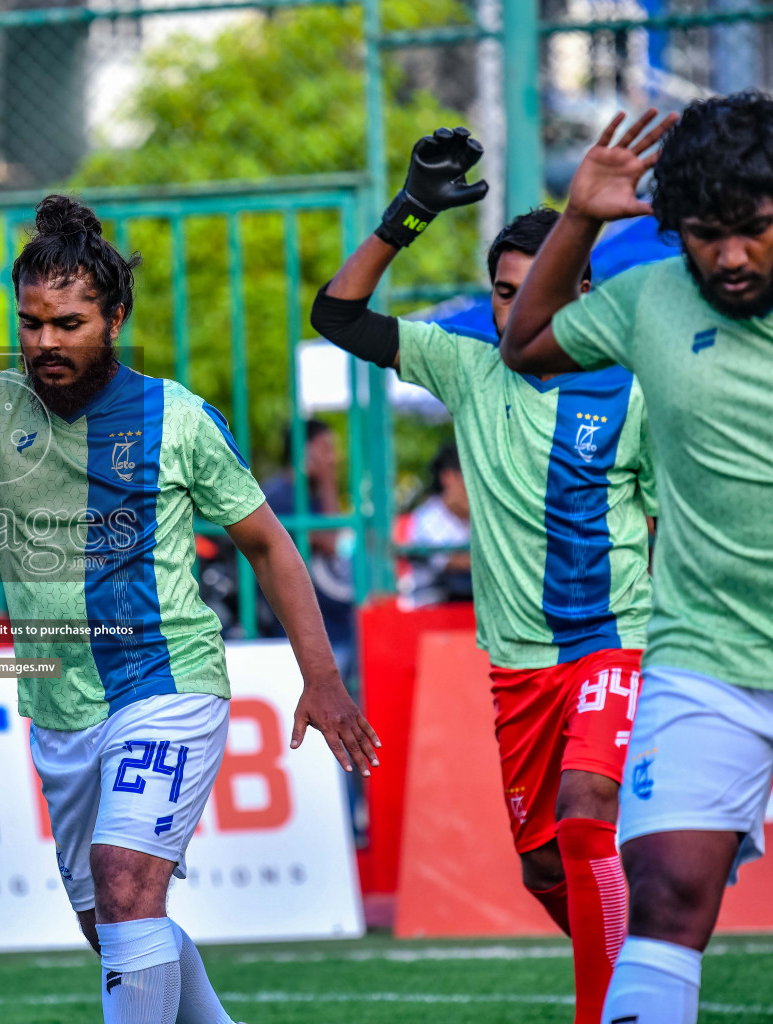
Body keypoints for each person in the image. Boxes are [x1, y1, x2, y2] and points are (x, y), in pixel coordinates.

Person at [0, 194, 379, 1024]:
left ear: (115, 318)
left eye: (69, 323)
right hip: (59, 704)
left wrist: (321, 677)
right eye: (32, 322)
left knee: (124, 882)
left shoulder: (176, 419)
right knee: (111, 921)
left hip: (168, 683)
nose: (46, 342)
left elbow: (268, 544)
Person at [310, 129, 657, 1023]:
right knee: (545, 865)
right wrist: (409, 214)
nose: (511, 313)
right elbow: (337, 316)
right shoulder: (466, 368)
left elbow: (673, 519)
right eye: (501, 295)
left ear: (580, 290)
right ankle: (643, 978)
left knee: (586, 815)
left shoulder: (629, 387)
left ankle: (611, 1015)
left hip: (614, 642)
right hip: (517, 667)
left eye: (529, 292)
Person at [501, 95, 773, 1024]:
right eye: (706, 234)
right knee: (661, 896)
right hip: (705, 662)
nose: (731, 256)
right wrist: (576, 220)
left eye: (754, 231)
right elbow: (526, 343)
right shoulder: (648, 299)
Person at [256, 420, 355, 674]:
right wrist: (327, 480)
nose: (334, 458)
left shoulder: (311, 496)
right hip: (300, 634)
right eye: (326, 449)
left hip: (334, 627)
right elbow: (333, 542)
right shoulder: (279, 497)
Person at [403, 442, 472, 605]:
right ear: (448, 477)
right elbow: (451, 562)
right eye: (469, 477)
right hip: (432, 610)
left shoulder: (475, 516)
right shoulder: (428, 517)